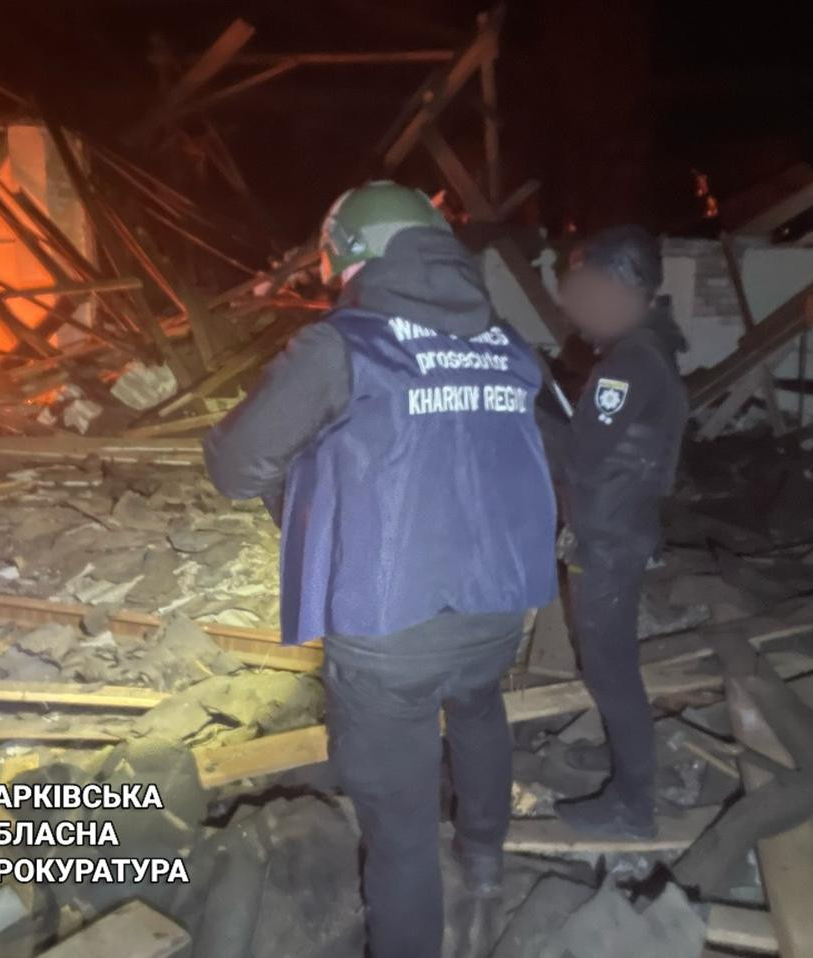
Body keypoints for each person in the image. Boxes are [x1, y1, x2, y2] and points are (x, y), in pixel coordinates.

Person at [202, 181, 558, 958]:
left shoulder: (343, 345)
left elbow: (237, 466)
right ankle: (486, 862)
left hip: (388, 628)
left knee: (400, 839)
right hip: (497, 609)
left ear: (347, 258)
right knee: (477, 706)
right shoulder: (506, 344)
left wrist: (300, 497)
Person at [540, 225, 689, 839]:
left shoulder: (630, 363)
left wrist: (526, 403)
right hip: (618, 527)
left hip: (608, 538)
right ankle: (628, 776)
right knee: (610, 664)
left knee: (609, 670)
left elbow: (578, 455)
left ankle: (633, 805)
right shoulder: (645, 350)